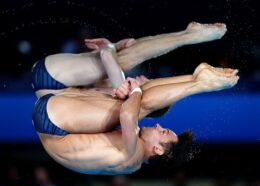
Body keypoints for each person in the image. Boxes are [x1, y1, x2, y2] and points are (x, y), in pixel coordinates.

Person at [32, 22, 239, 175]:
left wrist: (133, 87)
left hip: (53, 121)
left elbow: (129, 113)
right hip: (49, 86)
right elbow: (108, 73)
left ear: (157, 150)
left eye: (164, 131)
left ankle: (199, 81)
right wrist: (113, 54)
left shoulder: (134, 157)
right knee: (125, 70)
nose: (159, 126)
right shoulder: (125, 134)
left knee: (137, 101)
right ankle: (190, 45)